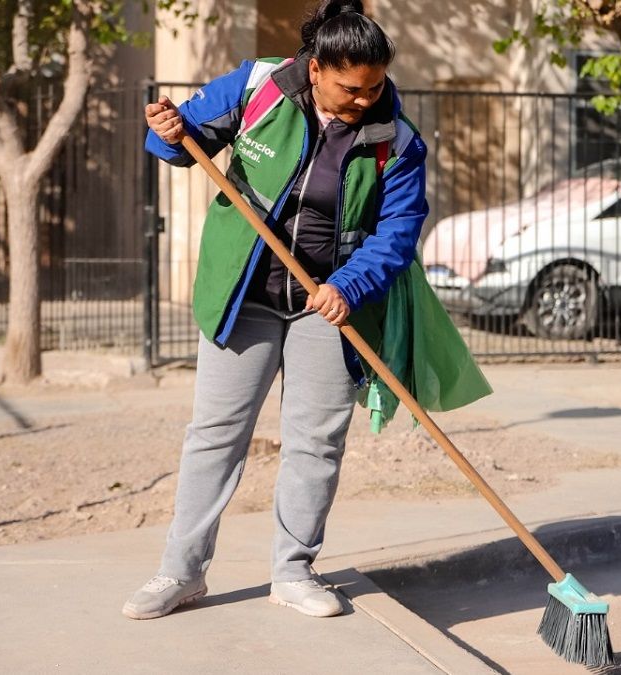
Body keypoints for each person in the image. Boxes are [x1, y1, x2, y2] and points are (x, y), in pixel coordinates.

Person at [124, 0, 429, 620]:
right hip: (245, 295)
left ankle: (293, 572)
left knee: (315, 444)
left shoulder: (394, 138)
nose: (365, 98)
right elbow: (186, 142)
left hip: (327, 303)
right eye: (351, 87)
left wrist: (348, 284)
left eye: (374, 87)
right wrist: (168, 129)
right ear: (315, 68)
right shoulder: (258, 87)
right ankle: (179, 574)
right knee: (216, 436)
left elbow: (398, 231)